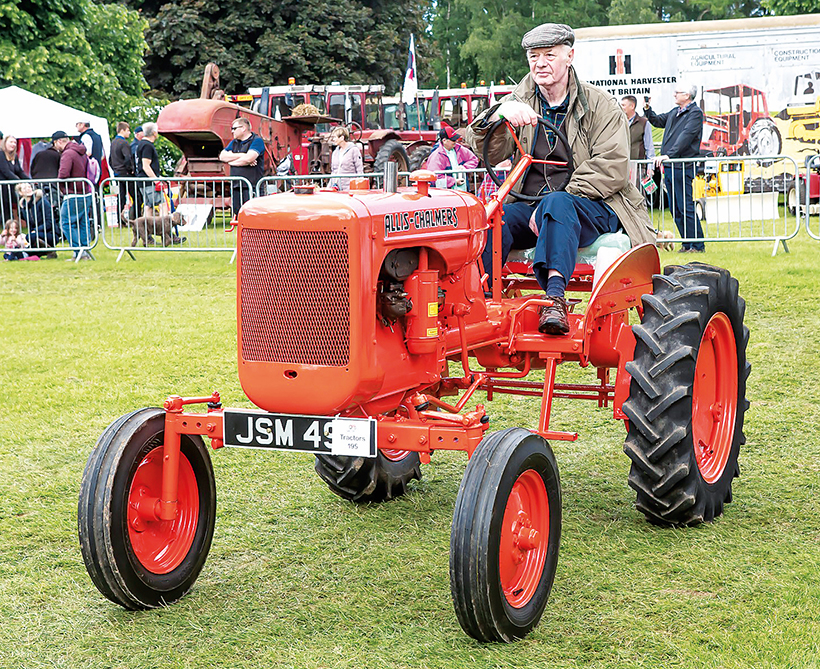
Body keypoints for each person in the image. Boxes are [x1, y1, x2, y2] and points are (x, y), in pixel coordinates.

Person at [466, 23, 655, 334]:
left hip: (593, 205)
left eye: (549, 55)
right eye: (533, 56)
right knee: (493, 217)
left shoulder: (601, 105)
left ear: (569, 56)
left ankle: (554, 299)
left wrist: (554, 203)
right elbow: (488, 150)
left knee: (557, 203)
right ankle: (480, 301)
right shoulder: (518, 100)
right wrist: (498, 116)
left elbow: (613, 168)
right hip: (531, 205)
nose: (540, 63)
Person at [644, 84, 705, 253]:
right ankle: (687, 244)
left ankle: (697, 245)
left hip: (683, 165)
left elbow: (686, 136)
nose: (674, 95)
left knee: (686, 206)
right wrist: (648, 109)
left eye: (677, 92)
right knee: (675, 208)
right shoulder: (674, 112)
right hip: (671, 166)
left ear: (687, 95)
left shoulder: (695, 114)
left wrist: (669, 154)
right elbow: (657, 121)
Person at [53, 130, 94, 260]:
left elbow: (63, 174)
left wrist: (61, 186)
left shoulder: (67, 154)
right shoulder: (80, 151)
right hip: (85, 192)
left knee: (66, 222)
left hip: (72, 194)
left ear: (59, 142)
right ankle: (85, 250)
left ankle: (78, 251)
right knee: (83, 222)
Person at [219, 117, 265, 216]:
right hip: (236, 187)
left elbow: (248, 159)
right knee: (239, 214)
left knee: (252, 216)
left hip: (252, 187)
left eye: (234, 128)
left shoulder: (257, 141)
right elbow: (222, 156)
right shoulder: (234, 143)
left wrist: (231, 161)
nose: (232, 131)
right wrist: (242, 155)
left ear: (243, 128)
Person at [427, 125, 479, 190]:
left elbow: (474, 159)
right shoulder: (436, 156)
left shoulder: (460, 149)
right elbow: (434, 177)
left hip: (463, 191)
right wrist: (454, 181)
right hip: (447, 194)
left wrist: (465, 167)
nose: (456, 142)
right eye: (453, 140)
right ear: (444, 140)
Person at [15, 182, 59, 258]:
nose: (28, 189)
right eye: (25, 188)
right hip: (35, 234)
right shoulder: (23, 206)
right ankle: (45, 252)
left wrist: (36, 230)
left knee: (30, 237)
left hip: (50, 233)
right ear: (20, 192)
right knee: (26, 250)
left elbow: (49, 222)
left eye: (29, 187)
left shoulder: (42, 201)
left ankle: (50, 250)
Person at [620, 95, 655, 188]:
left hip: (639, 168)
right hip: (621, 167)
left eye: (623, 105)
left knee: (639, 195)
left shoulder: (643, 123)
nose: (621, 107)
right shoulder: (618, 122)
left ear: (632, 106)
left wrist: (650, 167)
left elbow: (649, 146)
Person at [110, 121, 136, 219]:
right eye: (128, 130)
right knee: (136, 196)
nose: (129, 133)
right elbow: (127, 158)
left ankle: (119, 219)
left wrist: (115, 169)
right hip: (126, 173)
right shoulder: (124, 143)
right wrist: (130, 170)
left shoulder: (113, 142)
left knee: (121, 197)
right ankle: (135, 217)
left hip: (117, 173)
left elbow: (110, 159)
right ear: (122, 130)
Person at [0, 134, 28, 220]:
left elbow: (19, 171)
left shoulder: (14, 156)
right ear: (5, 143)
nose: (13, 144)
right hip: (3, 187)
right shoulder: (1, 154)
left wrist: (29, 181)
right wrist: (20, 182)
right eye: (11, 142)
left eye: (15, 142)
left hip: (11, 187)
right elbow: (6, 171)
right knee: (5, 206)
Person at [328, 126, 363, 191]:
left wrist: (359, 187)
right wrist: (329, 187)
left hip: (349, 188)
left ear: (341, 138)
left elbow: (359, 169)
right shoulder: (335, 152)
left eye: (335, 137)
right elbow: (333, 171)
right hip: (336, 188)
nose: (333, 140)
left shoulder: (354, 150)